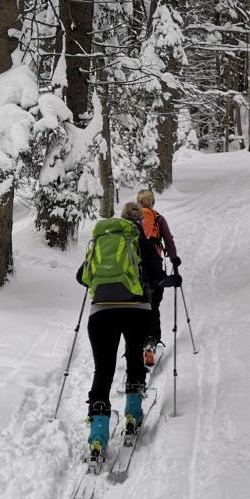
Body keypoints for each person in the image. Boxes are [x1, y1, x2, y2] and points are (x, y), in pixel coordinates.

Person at [77, 201, 181, 461]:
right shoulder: (143, 243)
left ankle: (98, 435)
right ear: (140, 224)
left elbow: (82, 277)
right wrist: (173, 280)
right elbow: (158, 279)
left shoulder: (100, 241)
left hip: (100, 313)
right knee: (134, 356)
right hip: (137, 311)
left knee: (103, 371)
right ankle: (133, 413)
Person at [136, 189, 181, 366]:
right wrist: (174, 259)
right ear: (152, 202)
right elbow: (168, 241)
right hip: (154, 267)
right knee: (153, 305)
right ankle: (151, 342)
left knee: (138, 305)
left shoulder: (130, 220)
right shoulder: (158, 218)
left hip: (133, 268)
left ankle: (136, 343)